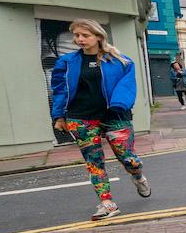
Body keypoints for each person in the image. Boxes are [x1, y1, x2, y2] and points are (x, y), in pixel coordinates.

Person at [50, 19, 151, 221]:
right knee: (94, 162)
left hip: (115, 117)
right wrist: (59, 115)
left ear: (98, 36)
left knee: (129, 159)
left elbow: (127, 85)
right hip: (81, 118)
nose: (80, 39)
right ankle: (107, 203)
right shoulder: (66, 62)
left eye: (85, 35)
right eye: (77, 35)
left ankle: (138, 176)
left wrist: (119, 104)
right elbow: (60, 90)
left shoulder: (120, 61)